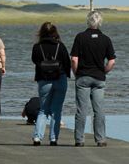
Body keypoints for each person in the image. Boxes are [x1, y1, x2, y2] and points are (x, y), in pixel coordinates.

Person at [70, 10, 116, 147]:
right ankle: (100, 139)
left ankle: (79, 139)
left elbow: (74, 59)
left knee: (81, 110)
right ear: (100, 22)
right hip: (99, 78)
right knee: (99, 110)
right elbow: (112, 61)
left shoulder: (80, 37)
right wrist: (104, 72)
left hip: (83, 77)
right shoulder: (106, 39)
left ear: (88, 21)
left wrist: (76, 72)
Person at [31, 22, 71, 146]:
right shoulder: (61, 46)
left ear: (41, 32)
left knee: (43, 110)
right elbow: (67, 63)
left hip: (44, 80)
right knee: (56, 110)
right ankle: (53, 139)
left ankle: (37, 137)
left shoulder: (37, 47)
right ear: (55, 32)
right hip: (60, 78)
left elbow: (35, 60)